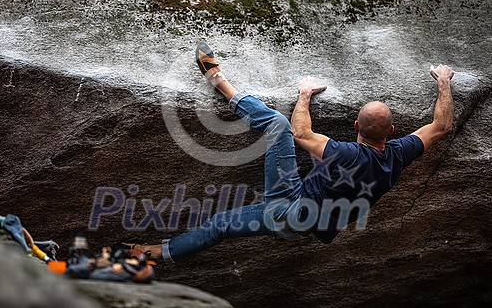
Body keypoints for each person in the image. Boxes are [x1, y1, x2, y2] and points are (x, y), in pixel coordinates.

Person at [125, 42, 454, 261]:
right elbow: (440, 126)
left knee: (276, 124)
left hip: (288, 205)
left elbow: (299, 132)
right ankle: (158, 252)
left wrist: (305, 94)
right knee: (223, 226)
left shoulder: (344, 153)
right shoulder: (400, 152)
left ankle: (218, 80)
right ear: (392, 132)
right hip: (305, 221)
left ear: (355, 126)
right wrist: (443, 80)